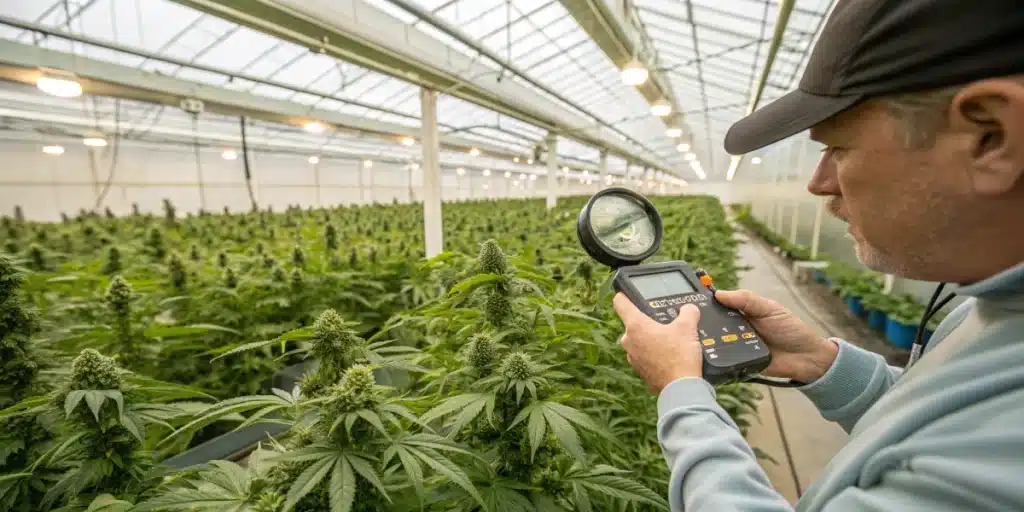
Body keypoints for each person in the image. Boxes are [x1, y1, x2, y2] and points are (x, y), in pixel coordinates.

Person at [612, 1, 1024, 510]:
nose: (818, 181)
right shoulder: (989, 311)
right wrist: (823, 364)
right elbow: (943, 419)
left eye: (839, 148)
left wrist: (681, 395)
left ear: (992, 137)